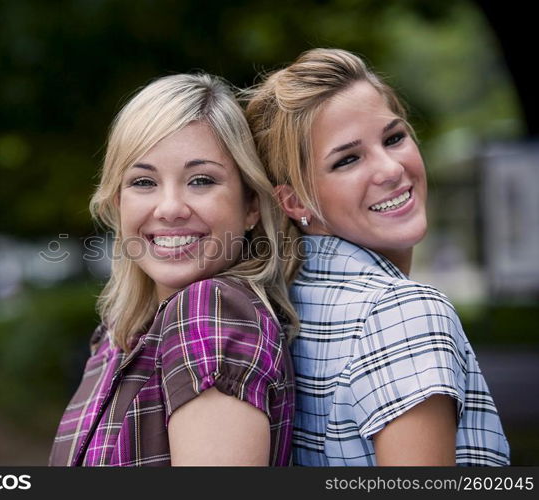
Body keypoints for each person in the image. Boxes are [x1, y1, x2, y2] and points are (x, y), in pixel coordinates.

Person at [244, 48, 510, 466]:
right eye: (347, 159)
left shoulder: (280, 303)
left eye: (394, 138)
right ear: (294, 201)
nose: (390, 169)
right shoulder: (404, 311)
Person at [49, 73, 298, 466]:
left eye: (200, 180)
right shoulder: (118, 335)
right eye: (144, 181)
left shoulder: (209, 314)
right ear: (118, 203)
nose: (169, 208)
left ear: (250, 205)